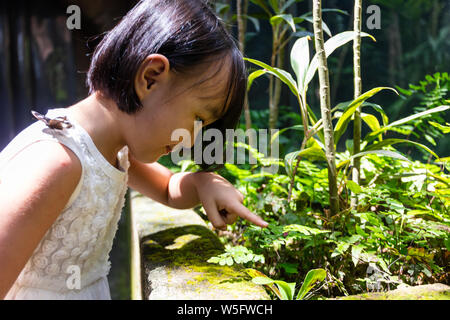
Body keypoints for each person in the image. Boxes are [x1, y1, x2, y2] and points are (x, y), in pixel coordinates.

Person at [0, 0, 267, 300]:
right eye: (198, 118)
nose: (191, 139)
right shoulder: (57, 161)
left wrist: (202, 182)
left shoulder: (113, 150)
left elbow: (167, 188)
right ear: (150, 77)